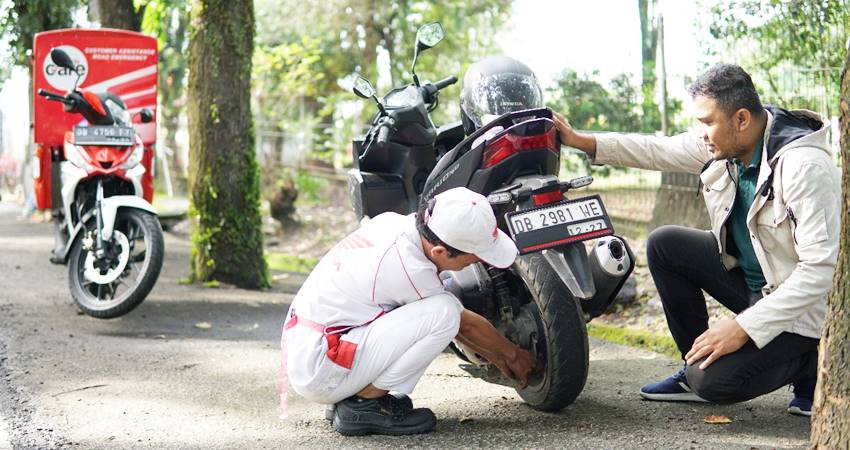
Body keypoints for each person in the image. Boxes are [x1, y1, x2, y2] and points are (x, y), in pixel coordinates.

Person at [553, 64, 840, 416]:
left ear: (742, 119)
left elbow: (820, 271)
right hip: (756, 286)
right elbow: (655, 150)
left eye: (707, 122)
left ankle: (809, 364)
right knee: (665, 244)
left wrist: (742, 327)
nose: (701, 133)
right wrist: (580, 140)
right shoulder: (727, 144)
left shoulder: (803, 166)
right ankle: (696, 362)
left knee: (713, 383)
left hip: (803, 312)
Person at [281, 187, 536, 436]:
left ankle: (354, 393)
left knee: (441, 308)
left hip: (315, 344)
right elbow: (463, 326)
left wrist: (499, 356)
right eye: (473, 258)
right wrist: (514, 356)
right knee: (445, 313)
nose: (478, 262)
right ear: (440, 252)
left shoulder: (395, 224)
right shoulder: (408, 266)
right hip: (323, 366)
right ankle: (364, 405)